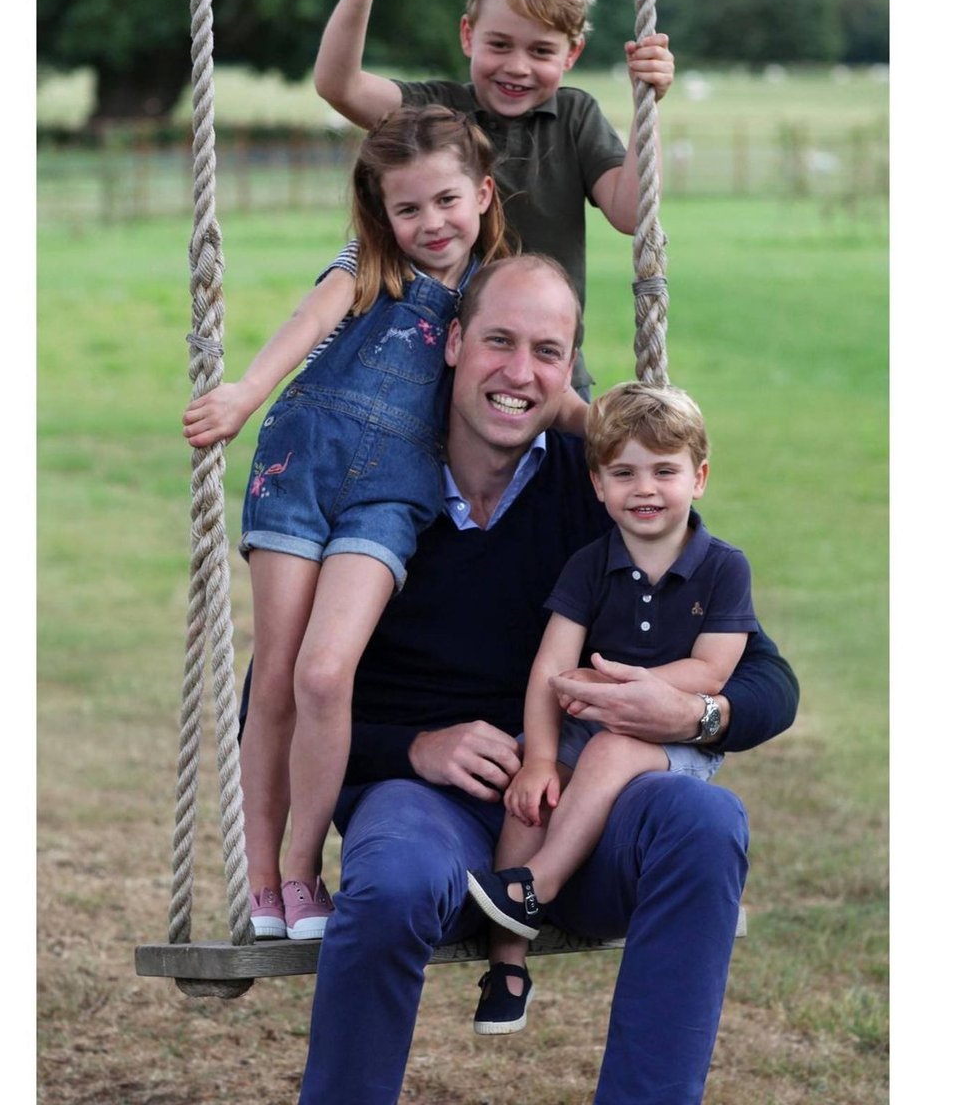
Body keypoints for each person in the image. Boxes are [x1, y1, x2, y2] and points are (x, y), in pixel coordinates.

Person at [290, 256, 799, 1105]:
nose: (519, 373)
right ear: (453, 343)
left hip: (582, 813)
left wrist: (692, 711)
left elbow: (768, 679)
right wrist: (414, 747)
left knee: (704, 820)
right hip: (429, 804)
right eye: (498, 341)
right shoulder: (373, 487)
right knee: (393, 882)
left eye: (547, 351)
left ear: (569, 372)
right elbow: (270, 705)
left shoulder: (598, 489)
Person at [181, 105, 521, 942]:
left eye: (446, 201)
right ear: (383, 214)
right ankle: (264, 883)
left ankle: (303, 869)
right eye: (408, 209)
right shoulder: (369, 263)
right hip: (301, 465)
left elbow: (530, 379)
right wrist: (243, 394)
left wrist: (614, 428)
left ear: (481, 193)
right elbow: (307, 325)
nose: (430, 224)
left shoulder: (493, 291)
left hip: (393, 492)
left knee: (327, 675)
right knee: (278, 675)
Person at [465, 381, 758, 1035]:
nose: (645, 488)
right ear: (598, 485)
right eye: (624, 473)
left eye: (665, 471)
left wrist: (632, 691)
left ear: (699, 477)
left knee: (612, 746)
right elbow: (550, 667)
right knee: (529, 794)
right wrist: (540, 759)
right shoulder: (590, 566)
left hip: (673, 736)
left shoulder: (723, 569)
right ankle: (508, 961)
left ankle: (538, 882)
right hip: (587, 720)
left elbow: (712, 670)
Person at [313, 0, 676, 396]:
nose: (517, 67)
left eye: (541, 51)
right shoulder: (437, 113)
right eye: (500, 44)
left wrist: (644, 106)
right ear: (468, 35)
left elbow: (632, 212)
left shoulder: (574, 117)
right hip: (437, 374)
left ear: (572, 55)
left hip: (548, 374)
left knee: (567, 469)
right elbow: (340, 86)